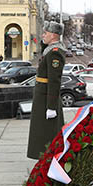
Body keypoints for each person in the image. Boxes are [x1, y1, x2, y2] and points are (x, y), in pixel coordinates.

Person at [26, 21, 66, 159]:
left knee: (46, 132)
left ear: (54, 35)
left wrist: (51, 107)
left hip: (46, 99)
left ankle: (49, 159)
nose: (43, 35)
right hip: (42, 96)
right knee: (41, 131)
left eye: (46, 33)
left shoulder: (55, 53)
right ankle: (44, 158)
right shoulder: (49, 50)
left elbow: (54, 81)